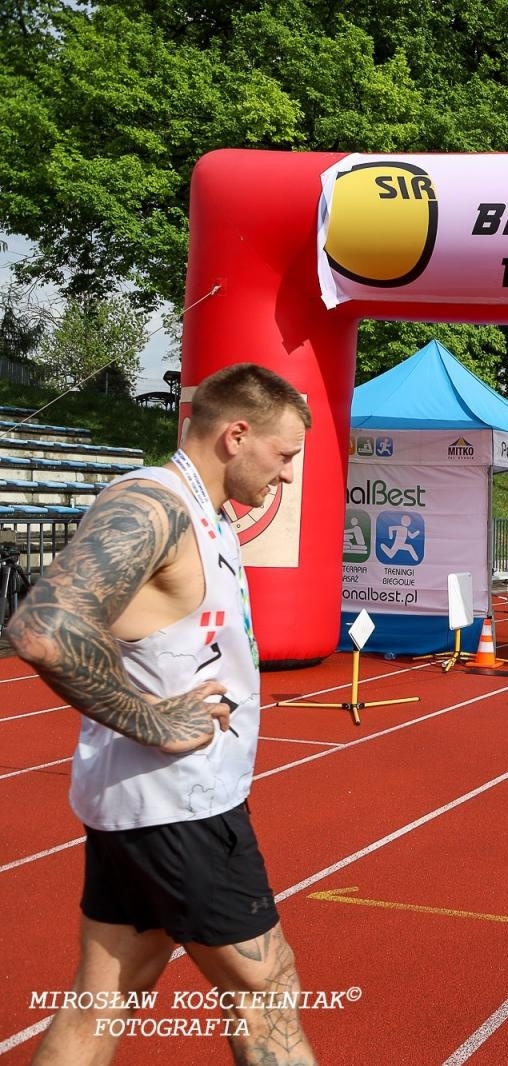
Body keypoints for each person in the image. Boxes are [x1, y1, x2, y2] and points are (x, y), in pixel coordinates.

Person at [4, 364, 318, 1064]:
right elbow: (42, 630)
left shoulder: (203, 511)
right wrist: (154, 721)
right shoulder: (155, 504)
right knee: (266, 993)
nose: (288, 475)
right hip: (183, 809)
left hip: (147, 804)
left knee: (104, 999)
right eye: (284, 453)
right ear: (237, 435)